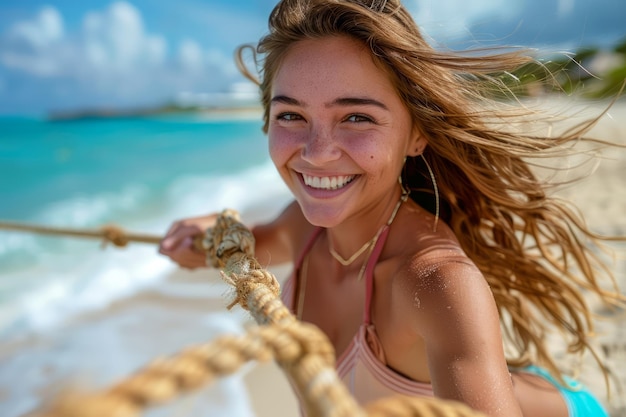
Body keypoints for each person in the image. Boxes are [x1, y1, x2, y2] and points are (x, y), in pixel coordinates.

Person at [159, 1, 624, 416]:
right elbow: (248, 241)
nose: (317, 152)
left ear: (416, 133)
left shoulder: (437, 283)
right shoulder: (302, 227)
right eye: (291, 115)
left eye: (357, 117)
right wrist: (211, 232)